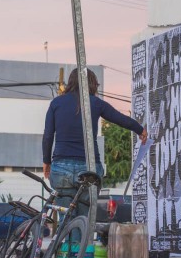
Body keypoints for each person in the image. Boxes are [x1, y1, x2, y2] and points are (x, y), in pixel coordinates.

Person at [42, 68, 147, 217]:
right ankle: (81, 237)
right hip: (88, 169)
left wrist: (46, 161)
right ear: (92, 84)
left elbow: (48, 136)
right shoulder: (96, 103)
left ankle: (66, 238)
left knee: (65, 219)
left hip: (61, 169)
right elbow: (119, 118)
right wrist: (140, 130)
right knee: (84, 219)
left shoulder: (56, 103)